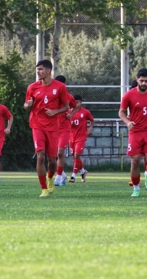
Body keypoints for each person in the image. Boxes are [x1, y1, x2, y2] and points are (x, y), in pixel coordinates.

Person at [24, 60, 70, 197]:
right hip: (37, 125)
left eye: (40, 69)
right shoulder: (32, 87)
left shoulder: (60, 87)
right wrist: (28, 105)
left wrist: (55, 112)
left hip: (53, 127)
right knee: (40, 156)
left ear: (48, 70)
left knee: (52, 160)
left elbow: (67, 107)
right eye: (37, 69)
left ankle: (50, 178)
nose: (38, 72)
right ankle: (43, 188)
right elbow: (26, 105)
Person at [119, 68, 147, 197]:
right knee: (135, 161)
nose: (144, 83)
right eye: (141, 80)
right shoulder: (129, 95)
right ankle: (136, 188)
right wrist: (127, 122)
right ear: (137, 79)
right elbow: (121, 112)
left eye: (146, 81)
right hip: (136, 132)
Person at [53, 75, 77, 187]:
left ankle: (58, 176)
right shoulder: (51, 95)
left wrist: (71, 114)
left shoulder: (67, 96)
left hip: (64, 129)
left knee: (60, 152)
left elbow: (75, 106)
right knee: (52, 155)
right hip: (52, 128)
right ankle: (61, 173)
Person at [67, 94, 94, 183]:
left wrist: (90, 128)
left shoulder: (85, 112)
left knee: (76, 155)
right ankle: (83, 172)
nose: (76, 104)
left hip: (81, 137)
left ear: (81, 103)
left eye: (77, 102)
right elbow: (66, 122)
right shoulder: (69, 112)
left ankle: (73, 176)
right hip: (71, 137)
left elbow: (92, 120)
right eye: (74, 102)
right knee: (75, 157)